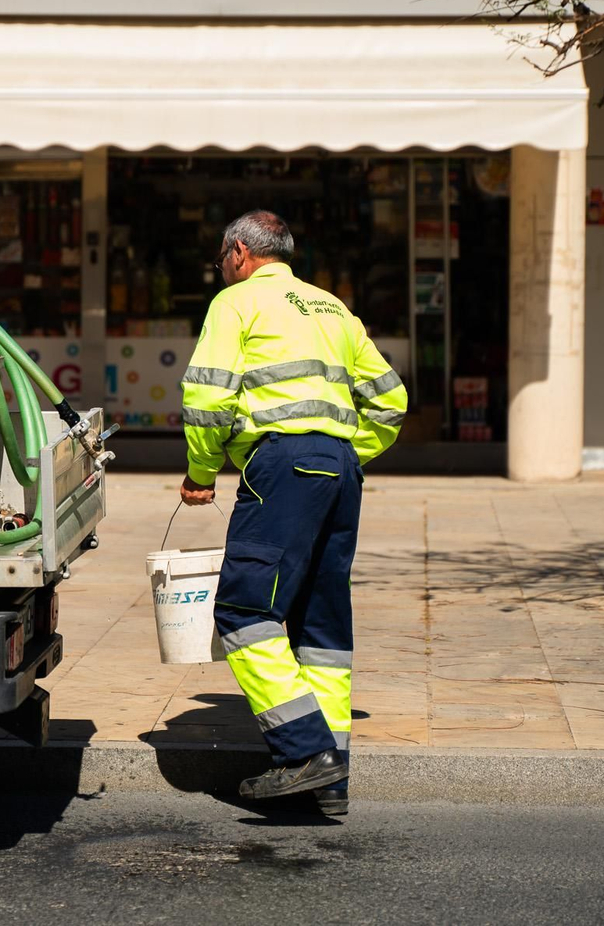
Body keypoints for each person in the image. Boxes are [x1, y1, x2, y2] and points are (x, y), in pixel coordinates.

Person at [178, 210, 406, 816]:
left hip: (280, 466)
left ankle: (305, 753)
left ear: (238, 255)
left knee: (244, 609)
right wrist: (340, 453)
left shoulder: (236, 303)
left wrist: (203, 473)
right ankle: (331, 783)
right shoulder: (332, 307)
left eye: (223, 259)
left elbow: (205, 394)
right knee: (321, 626)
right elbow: (391, 401)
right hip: (339, 473)